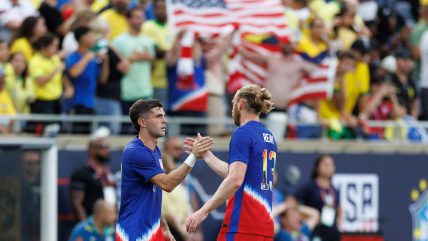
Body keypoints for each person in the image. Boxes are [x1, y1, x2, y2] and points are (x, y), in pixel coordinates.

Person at [185, 85, 277, 241]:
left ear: (240, 104)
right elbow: (239, 173)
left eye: (234, 104)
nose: (232, 109)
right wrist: (207, 155)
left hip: (242, 226)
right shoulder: (268, 135)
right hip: (264, 228)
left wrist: (203, 211)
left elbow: (235, 180)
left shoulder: (242, 133)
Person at [116, 99, 213, 241]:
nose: (165, 121)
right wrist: (193, 156)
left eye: (164, 115)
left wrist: (164, 227)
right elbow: (167, 184)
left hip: (152, 229)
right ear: (142, 122)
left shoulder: (154, 150)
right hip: (135, 232)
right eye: (158, 116)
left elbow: (153, 195)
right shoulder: (136, 151)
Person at [111, 7, 155, 115]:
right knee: (127, 128)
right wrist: (131, 59)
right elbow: (116, 69)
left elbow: (153, 67)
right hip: (126, 92)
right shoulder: (118, 41)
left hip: (145, 91)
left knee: (144, 128)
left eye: (141, 17)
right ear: (128, 20)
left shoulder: (148, 41)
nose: (139, 21)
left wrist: (149, 58)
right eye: (136, 17)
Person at [65, 26, 109, 133]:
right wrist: (87, 57)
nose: (93, 39)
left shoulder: (93, 60)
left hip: (91, 104)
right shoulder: (73, 57)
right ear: (82, 38)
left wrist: (105, 62)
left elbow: (103, 79)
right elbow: (74, 73)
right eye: (90, 36)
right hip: (76, 105)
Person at [70, 127, 116, 221]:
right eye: (102, 147)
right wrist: (86, 226)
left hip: (111, 224)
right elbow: (76, 203)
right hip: (93, 224)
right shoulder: (82, 173)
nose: (106, 151)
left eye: (107, 147)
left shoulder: (109, 172)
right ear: (91, 150)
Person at [294, 155, 341, 241]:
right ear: (317, 167)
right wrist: (309, 214)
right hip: (315, 231)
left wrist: (338, 223)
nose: (329, 167)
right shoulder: (309, 186)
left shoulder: (334, 190)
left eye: (331, 165)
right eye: (325, 164)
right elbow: (292, 202)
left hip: (332, 233)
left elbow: (339, 208)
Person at [142, 0, 173, 105]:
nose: (161, 11)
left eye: (164, 8)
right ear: (154, 10)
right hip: (154, 81)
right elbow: (155, 51)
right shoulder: (148, 26)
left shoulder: (173, 27)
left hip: (170, 80)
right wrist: (172, 52)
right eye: (158, 8)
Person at [20, 150, 42, 241]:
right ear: (22, 165)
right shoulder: (16, 184)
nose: (33, 166)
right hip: (21, 231)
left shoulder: (46, 182)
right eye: (29, 163)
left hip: (41, 230)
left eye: (37, 163)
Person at [0, 68, 16, 133]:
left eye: (3, 78)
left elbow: (12, 115)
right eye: (1, 79)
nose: (4, 81)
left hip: (6, 130)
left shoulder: (5, 93)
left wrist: (8, 129)